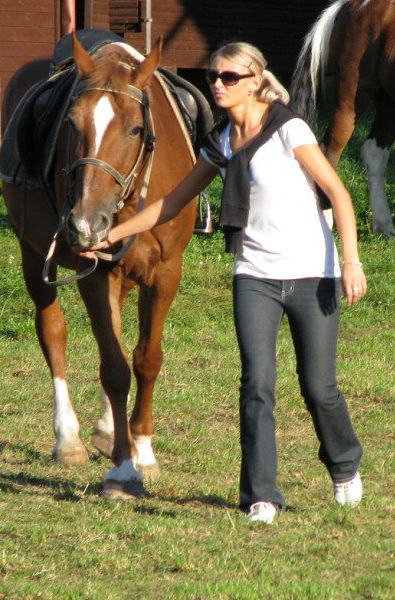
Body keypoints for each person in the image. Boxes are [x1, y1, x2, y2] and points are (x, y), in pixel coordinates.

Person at [78, 42, 366, 524]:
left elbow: (338, 193)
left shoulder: (287, 129)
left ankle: (343, 466)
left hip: (312, 272)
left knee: (319, 388)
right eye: (214, 76)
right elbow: (169, 204)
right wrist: (113, 234)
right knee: (256, 384)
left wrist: (351, 262)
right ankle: (261, 495)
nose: (218, 84)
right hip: (253, 274)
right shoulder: (220, 142)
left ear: (255, 80)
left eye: (230, 77)